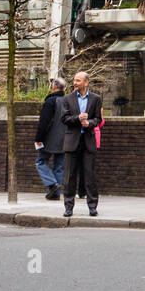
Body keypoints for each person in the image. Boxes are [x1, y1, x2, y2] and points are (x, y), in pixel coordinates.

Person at [60, 71, 103, 217]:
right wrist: (78, 119)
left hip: (88, 142)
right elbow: (64, 119)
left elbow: (98, 119)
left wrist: (89, 123)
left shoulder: (96, 99)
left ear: (86, 82)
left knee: (90, 176)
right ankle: (68, 207)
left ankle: (92, 206)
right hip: (72, 142)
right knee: (69, 177)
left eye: (78, 80)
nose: (75, 83)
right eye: (74, 80)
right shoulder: (67, 98)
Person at [33, 77, 67, 200]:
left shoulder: (50, 102)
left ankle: (52, 184)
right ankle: (56, 195)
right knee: (59, 166)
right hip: (64, 139)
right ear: (64, 88)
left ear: (53, 87)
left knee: (40, 162)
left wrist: (39, 138)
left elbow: (44, 122)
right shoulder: (68, 101)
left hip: (49, 139)